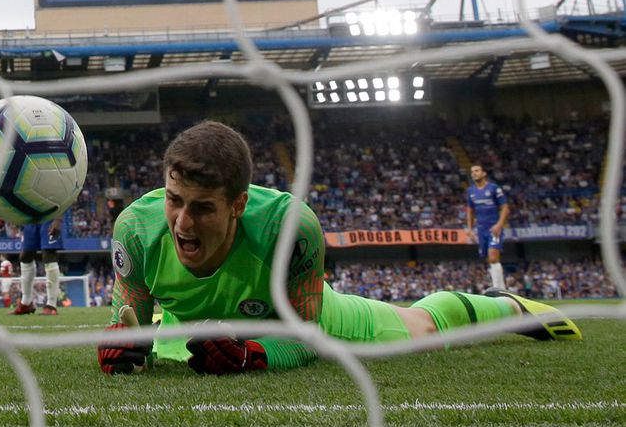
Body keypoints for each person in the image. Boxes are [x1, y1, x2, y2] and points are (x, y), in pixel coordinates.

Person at [97, 121, 581, 376]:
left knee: (423, 328)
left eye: (202, 208)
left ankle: (505, 306)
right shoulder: (135, 231)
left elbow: (305, 338)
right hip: (193, 331)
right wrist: (121, 351)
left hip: (306, 322)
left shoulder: (291, 227)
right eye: (174, 201)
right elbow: (129, 328)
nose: (182, 222)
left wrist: (256, 355)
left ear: (239, 204)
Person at [466, 164, 510, 290]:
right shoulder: (470, 191)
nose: (474, 173)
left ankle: (498, 289)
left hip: (493, 228)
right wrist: (469, 229)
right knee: (487, 258)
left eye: (477, 170)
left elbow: (505, 207)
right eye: (472, 171)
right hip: (481, 229)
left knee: (493, 256)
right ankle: (500, 286)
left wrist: (499, 225)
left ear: (483, 173)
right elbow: (469, 210)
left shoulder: (494, 188)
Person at [11, 216, 64, 315]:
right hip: (31, 217)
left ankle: (51, 305)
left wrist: (58, 219)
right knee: (25, 256)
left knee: (49, 254)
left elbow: (65, 199)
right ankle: (26, 303)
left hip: (50, 215)